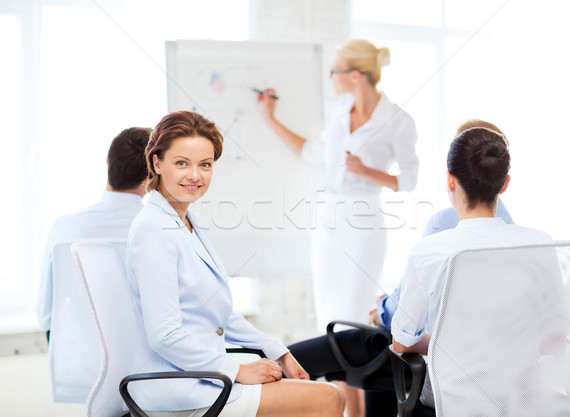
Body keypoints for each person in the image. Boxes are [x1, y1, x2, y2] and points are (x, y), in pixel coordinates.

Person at [288, 119, 515, 417]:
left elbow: (402, 328)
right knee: (382, 369)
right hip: (494, 373)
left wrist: (383, 308)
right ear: (503, 179)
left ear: (451, 177)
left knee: (298, 357)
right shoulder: (525, 240)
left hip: (435, 361)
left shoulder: (443, 227)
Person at [125, 110, 344, 417]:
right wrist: (235, 369)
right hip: (179, 389)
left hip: (206, 379)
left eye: (205, 165)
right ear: (157, 163)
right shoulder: (152, 229)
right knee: (329, 399)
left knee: (316, 394)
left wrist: (277, 349)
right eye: (181, 163)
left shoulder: (189, 222)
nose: (195, 175)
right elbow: (164, 335)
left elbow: (219, 313)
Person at [259, 39, 419, 416]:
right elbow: (314, 152)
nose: (330, 78)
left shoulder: (398, 120)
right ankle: (344, 411)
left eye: (334, 71)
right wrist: (270, 118)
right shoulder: (338, 110)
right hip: (329, 221)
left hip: (364, 224)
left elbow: (409, 180)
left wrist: (368, 171)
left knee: (352, 321)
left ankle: (356, 412)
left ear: (356, 75)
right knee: (328, 321)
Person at [391, 126, 551, 408]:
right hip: (526, 397)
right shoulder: (540, 243)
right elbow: (557, 336)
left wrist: (455, 342)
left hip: (457, 399)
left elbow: (402, 343)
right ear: (505, 183)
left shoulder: (429, 251)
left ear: (450, 181)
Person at [37, 126, 151, 340]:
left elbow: (46, 315)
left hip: (76, 368)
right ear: (151, 176)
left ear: (108, 161)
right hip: (146, 370)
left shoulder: (64, 228)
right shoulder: (164, 231)